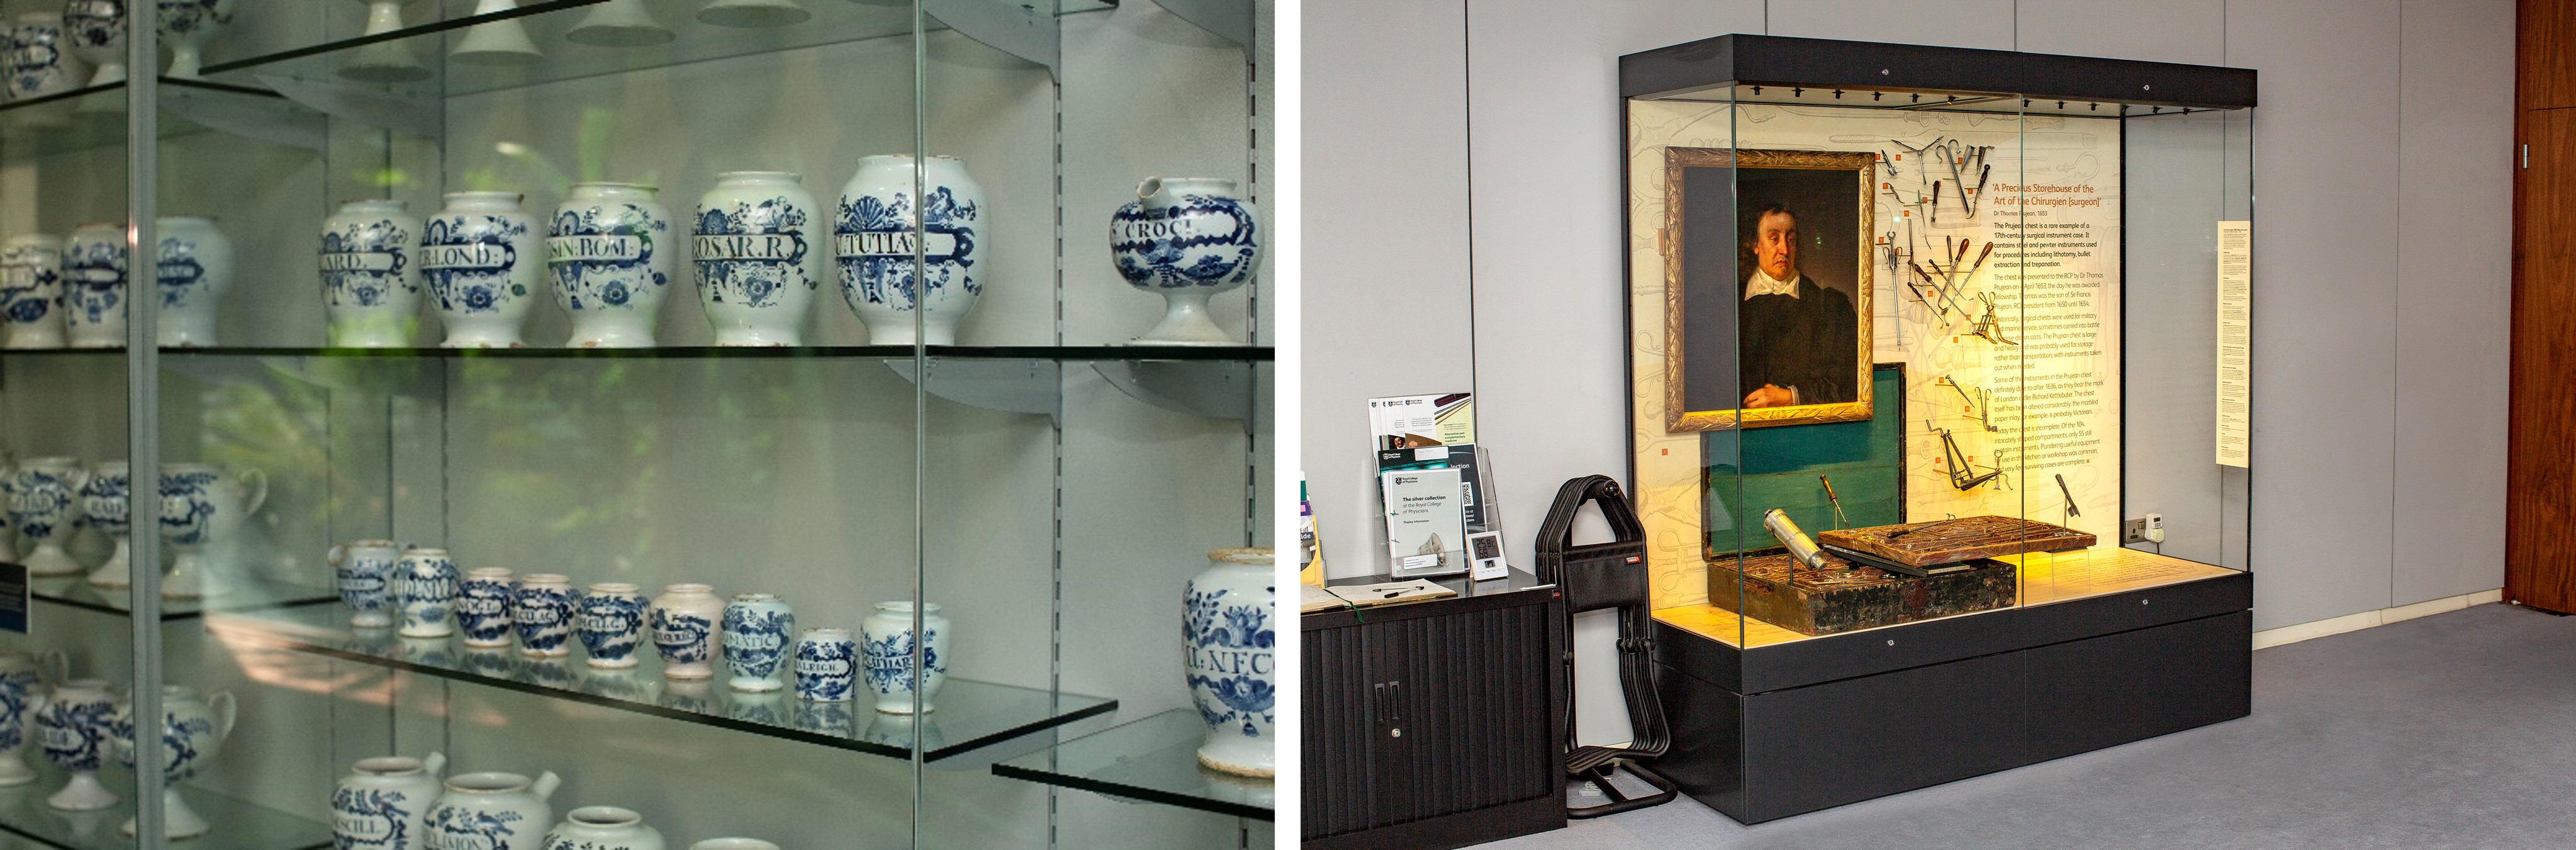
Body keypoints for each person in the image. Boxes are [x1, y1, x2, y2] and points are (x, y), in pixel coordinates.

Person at [1737, 202, 1858, 408]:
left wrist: (1790, 397)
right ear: (1756, 244)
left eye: (1791, 240)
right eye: (1774, 239)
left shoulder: (1830, 307)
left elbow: (1849, 385)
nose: (1784, 249)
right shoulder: (1731, 304)